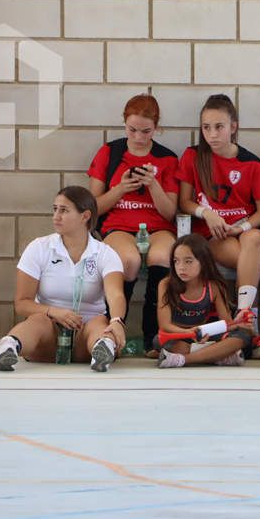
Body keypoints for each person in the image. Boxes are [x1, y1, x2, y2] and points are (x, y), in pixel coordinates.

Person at [0, 186, 127, 372]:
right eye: (55, 209)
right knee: (37, 321)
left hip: (86, 330)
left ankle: (102, 348)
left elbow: (116, 295)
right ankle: (10, 346)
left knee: (100, 323)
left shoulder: (105, 253)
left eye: (64, 210)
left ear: (85, 216)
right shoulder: (39, 247)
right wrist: (53, 311)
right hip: (48, 334)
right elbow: (22, 303)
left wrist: (117, 321)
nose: (56, 216)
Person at [176, 94, 260, 348]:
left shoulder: (251, 163)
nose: (212, 134)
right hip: (214, 235)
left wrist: (241, 227)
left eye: (219, 127)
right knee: (247, 260)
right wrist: (207, 214)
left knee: (252, 241)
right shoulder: (193, 156)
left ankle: (242, 318)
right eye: (206, 128)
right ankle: (249, 325)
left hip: (245, 231)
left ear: (233, 127)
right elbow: (184, 201)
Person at [87, 94, 179, 355]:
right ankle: (114, 332)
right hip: (119, 225)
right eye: (133, 130)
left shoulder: (168, 159)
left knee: (162, 255)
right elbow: (92, 208)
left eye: (146, 131)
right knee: (127, 260)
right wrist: (120, 189)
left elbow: (170, 212)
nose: (139, 137)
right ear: (124, 125)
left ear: (157, 128)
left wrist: (154, 185)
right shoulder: (111, 152)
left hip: (157, 226)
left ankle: (154, 334)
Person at [155, 234, 252, 368]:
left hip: (205, 335)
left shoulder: (214, 286)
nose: (181, 267)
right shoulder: (166, 285)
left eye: (188, 261)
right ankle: (217, 356)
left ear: (203, 261)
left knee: (242, 337)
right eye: (176, 261)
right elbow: (165, 325)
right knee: (167, 344)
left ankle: (183, 360)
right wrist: (189, 333)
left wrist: (239, 322)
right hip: (179, 335)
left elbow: (226, 323)